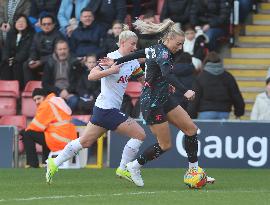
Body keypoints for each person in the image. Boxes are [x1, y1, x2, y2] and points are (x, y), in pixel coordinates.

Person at [100, 19, 215, 187]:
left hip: (164, 98)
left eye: (182, 44)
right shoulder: (163, 53)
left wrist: (117, 61)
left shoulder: (154, 49)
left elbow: (138, 53)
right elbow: (168, 74)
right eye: (178, 43)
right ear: (168, 40)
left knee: (191, 130)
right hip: (152, 103)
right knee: (165, 145)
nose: (180, 47)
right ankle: (134, 166)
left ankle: (194, 171)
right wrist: (186, 90)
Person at [45, 29, 146, 184]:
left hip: (103, 109)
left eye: (136, 44)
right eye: (132, 44)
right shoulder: (111, 58)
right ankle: (123, 167)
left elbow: (143, 81)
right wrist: (111, 70)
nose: (135, 47)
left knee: (85, 141)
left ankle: (54, 162)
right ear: (123, 42)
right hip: (107, 109)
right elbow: (91, 75)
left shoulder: (132, 61)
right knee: (140, 134)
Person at [20, 88, 78, 168]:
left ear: (44, 96)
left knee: (27, 134)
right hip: (69, 138)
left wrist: (24, 131)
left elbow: (36, 126)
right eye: (35, 100)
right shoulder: (56, 101)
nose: (37, 102)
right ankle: (45, 162)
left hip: (60, 138)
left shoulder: (46, 104)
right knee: (46, 133)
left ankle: (32, 164)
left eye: (38, 98)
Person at [188, 51, 245, 119]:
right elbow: (236, 96)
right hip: (224, 112)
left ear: (205, 62)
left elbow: (194, 99)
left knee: (207, 130)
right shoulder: (228, 76)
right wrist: (239, 113)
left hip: (205, 112)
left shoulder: (201, 77)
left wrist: (192, 116)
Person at [42, 40, 82, 112]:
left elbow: (78, 81)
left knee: (74, 100)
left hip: (70, 92)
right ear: (56, 50)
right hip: (55, 92)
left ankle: (62, 117)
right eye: (60, 49)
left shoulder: (74, 62)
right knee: (50, 101)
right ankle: (63, 117)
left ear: (68, 49)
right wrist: (59, 92)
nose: (62, 52)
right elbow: (45, 83)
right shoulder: (50, 62)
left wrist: (67, 91)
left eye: (64, 49)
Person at [23, 14, 64, 84]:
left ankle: (45, 89)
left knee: (49, 64)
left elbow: (57, 54)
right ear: (40, 25)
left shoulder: (59, 36)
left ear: (53, 24)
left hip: (52, 62)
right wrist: (32, 60)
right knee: (26, 64)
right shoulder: (37, 35)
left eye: (49, 24)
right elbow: (33, 50)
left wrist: (41, 61)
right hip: (38, 62)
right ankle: (30, 87)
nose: (46, 26)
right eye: (44, 24)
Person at [1, 14, 34, 90]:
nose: (20, 23)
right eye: (18, 21)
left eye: (23, 22)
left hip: (22, 59)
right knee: (4, 65)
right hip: (11, 59)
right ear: (14, 23)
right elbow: (6, 48)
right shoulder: (11, 33)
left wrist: (15, 59)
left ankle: (18, 90)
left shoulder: (31, 35)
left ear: (27, 24)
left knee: (17, 66)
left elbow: (26, 51)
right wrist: (6, 58)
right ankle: (6, 90)